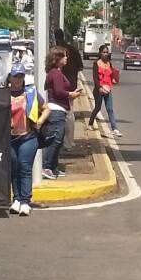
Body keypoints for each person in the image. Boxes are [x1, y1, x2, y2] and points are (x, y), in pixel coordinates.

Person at [8, 64, 49, 216]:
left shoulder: (31, 93)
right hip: (9, 138)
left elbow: (46, 109)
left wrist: (39, 122)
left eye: (20, 76)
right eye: (15, 76)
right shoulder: (3, 94)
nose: (17, 80)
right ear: (10, 77)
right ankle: (17, 198)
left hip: (28, 137)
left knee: (24, 167)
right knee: (13, 168)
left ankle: (25, 200)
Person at [41, 46, 82, 180]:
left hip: (60, 109)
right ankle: (46, 167)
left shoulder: (56, 73)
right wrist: (71, 94)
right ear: (56, 59)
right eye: (64, 56)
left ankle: (53, 167)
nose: (66, 58)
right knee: (55, 139)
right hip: (56, 110)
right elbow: (58, 91)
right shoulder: (56, 74)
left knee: (58, 139)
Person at [87, 44, 121, 136]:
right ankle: (90, 124)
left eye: (107, 52)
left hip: (108, 89)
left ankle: (115, 129)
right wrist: (100, 88)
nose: (105, 54)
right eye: (103, 52)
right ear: (100, 53)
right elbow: (95, 78)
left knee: (110, 109)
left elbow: (111, 75)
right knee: (97, 108)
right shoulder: (96, 63)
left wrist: (114, 79)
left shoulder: (109, 63)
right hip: (99, 90)